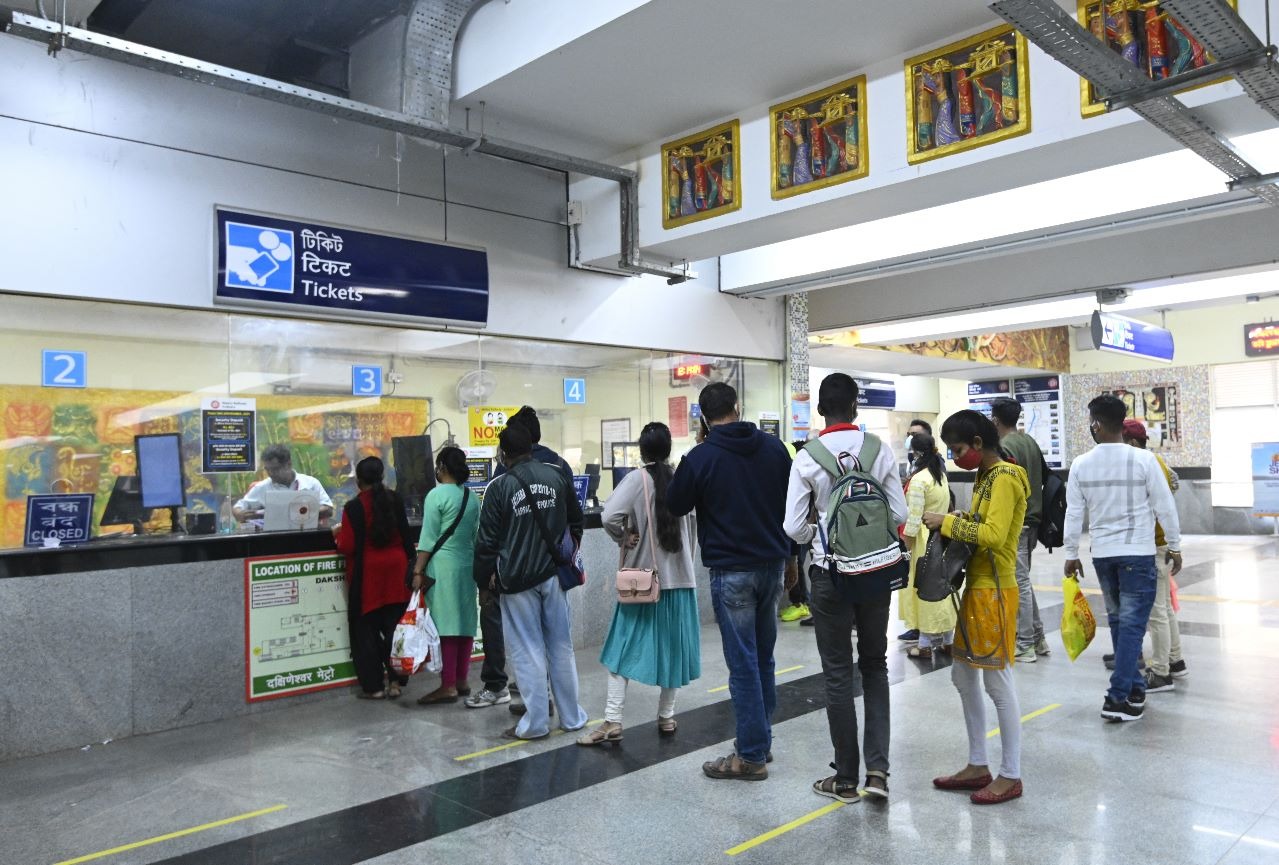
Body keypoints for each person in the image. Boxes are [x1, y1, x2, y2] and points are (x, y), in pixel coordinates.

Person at [785, 373, 907, 802]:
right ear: (856, 408)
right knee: (875, 665)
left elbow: (793, 528)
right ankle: (878, 774)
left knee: (838, 674)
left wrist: (826, 534)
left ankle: (845, 780)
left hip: (829, 576)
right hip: (875, 574)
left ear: (820, 410)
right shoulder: (879, 451)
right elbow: (899, 511)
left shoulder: (806, 458)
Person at [669, 382, 792, 781]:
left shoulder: (701, 457)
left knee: (742, 665)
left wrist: (698, 460)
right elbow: (793, 505)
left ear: (704, 418)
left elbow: (675, 503)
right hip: (772, 565)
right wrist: (791, 557)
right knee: (763, 658)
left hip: (732, 571)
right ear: (738, 408)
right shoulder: (775, 449)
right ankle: (761, 741)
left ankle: (751, 755)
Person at [925, 410, 1029, 805]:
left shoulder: (1003, 477)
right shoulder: (987, 476)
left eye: (958, 449)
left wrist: (947, 523)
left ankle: (1011, 774)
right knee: (962, 676)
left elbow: (993, 534)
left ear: (979, 444)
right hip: (978, 588)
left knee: (997, 684)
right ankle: (978, 763)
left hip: (995, 592)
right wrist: (958, 518)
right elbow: (982, 523)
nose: (955, 456)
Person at [578, 422, 700, 745]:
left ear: (642, 451)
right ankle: (667, 717)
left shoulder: (636, 480)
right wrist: (683, 562)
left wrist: (625, 537)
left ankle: (613, 721)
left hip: (643, 585)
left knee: (620, 650)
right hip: (680, 582)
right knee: (673, 652)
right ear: (669, 448)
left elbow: (608, 517)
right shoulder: (681, 479)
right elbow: (693, 530)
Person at [1064, 396, 1182, 723]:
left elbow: (1074, 513)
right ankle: (1117, 697)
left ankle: (1134, 690)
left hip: (1103, 556)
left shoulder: (1081, 464)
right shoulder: (1143, 460)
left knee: (1119, 622)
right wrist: (1174, 545)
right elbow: (1164, 506)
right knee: (1131, 626)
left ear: (1096, 424)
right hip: (1138, 553)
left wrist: (1071, 553)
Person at [473, 424, 588, 740]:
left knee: (527, 650)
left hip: (516, 580)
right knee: (561, 647)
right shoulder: (557, 476)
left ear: (503, 454)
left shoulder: (499, 487)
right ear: (532, 447)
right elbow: (576, 522)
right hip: (553, 575)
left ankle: (535, 724)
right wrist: (566, 553)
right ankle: (572, 718)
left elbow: (486, 542)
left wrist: (484, 583)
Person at [332, 456, 414, 700]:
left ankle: (374, 687)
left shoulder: (354, 507)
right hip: (397, 570)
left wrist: (336, 535)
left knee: (365, 631)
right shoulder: (395, 499)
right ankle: (396, 682)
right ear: (382, 477)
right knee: (394, 628)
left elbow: (347, 546)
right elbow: (406, 537)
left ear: (358, 481)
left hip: (368, 574)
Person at [1120, 419, 1187, 691]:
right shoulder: (1157, 461)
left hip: (1153, 543)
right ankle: (1175, 660)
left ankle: (1160, 673)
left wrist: (1173, 543)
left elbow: (1162, 507)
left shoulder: (1144, 463)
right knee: (1166, 608)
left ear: (1133, 443)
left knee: (1156, 610)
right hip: (1160, 543)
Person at [412, 446, 481, 705]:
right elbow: (476, 535)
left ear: (441, 467)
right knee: (464, 622)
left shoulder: (436, 496)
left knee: (446, 625)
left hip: (442, 566)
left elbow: (428, 538)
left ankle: (448, 685)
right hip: (467, 563)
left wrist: (418, 570)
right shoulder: (471, 497)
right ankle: (462, 680)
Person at [990, 397, 1050, 663]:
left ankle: (1024, 644)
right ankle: (1038, 638)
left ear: (995, 420)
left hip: (1016, 522)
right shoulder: (1030, 442)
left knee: (1018, 582)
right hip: (1033, 520)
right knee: (1023, 579)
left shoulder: (1003, 447)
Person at [900, 432, 957, 660]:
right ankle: (948, 641)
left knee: (924, 592)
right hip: (943, 537)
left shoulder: (919, 480)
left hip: (923, 541)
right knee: (942, 590)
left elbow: (913, 518)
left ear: (916, 453)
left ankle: (923, 645)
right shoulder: (940, 475)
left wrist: (905, 544)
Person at [233, 443, 334, 523]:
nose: (271, 473)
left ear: (288, 464)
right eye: (267, 469)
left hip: (306, 536)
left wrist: (299, 513)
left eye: (275, 469)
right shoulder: (262, 487)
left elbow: (328, 509)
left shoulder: (310, 483)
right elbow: (238, 508)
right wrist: (240, 514)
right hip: (275, 540)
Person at [898, 418, 934, 640]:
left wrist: (906, 541)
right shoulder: (919, 468)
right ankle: (924, 630)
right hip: (927, 534)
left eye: (915, 435)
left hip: (921, 535)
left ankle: (924, 635)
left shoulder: (925, 474)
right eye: (909, 434)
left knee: (920, 583)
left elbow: (915, 514)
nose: (910, 438)